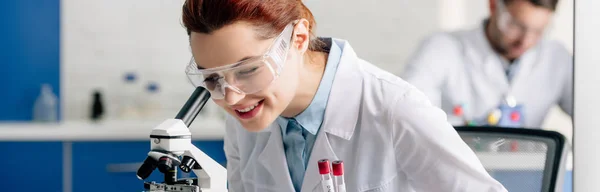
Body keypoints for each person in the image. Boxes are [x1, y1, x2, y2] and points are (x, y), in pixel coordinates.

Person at [181, 0, 507, 191]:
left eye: (248, 69)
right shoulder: (248, 113)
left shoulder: (395, 109)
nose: (231, 97)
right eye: (212, 77)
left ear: (298, 38)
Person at [402, 0, 572, 128]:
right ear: (493, 6)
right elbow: (408, 113)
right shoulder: (441, 47)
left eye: (538, 31)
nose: (525, 41)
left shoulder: (557, 58)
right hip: (456, 170)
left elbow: (591, 116)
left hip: (529, 171)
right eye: (515, 26)